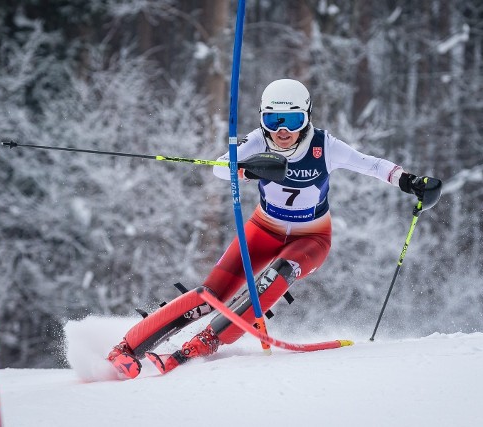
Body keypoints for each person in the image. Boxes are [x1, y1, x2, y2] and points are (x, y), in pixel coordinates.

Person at [107, 78, 434, 379]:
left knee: (275, 276)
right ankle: (125, 349)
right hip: (263, 229)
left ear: (307, 117)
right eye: (272, 119)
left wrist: (407, 181)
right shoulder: (257, 140)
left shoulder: (324, 146)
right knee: (210, 295)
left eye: (291, 120)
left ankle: (201, 344)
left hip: (311, 237)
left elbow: (372, 164)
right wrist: (246, 171)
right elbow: (221, 168)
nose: (281, 130)